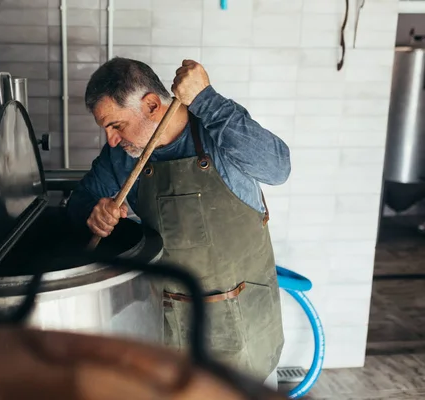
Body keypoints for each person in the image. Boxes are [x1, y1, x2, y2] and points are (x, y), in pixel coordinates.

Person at [66, 57, 291, 388]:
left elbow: (278, 168)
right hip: (168, 333)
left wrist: (207, 100)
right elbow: (79, 203)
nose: (111, 139)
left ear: (152, 105)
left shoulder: (217, 132)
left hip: (245, 329)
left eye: (116, 125)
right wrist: (92, 212)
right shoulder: (121, 158)